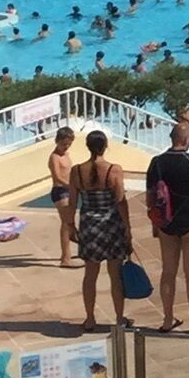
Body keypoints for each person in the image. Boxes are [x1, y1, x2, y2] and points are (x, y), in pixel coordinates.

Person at [146, 111, 189, 333]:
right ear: (187, 140)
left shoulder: (157, 163)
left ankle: (168, 319)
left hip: (167, 223)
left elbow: (150, 198)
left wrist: (155, 224)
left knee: (168, 271)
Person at [64, 128, 130, 329]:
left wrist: (70, 226)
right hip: (111, 225)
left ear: (87, 147)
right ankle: (119, 318)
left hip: (89, 225)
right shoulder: (114, 169)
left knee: (90, 275)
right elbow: (120, 201)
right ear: (105, 146)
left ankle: (90, 318)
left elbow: (72, 202)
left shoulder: (76, 171)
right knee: (115, 275)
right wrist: (128, 228)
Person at [47, 126, 76, 269]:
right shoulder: (54, 158)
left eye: (68, 144)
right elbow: (57, 177)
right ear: (56, 141)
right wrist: (71, 186)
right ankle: (65, 258)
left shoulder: (66, 155)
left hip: (69, 191)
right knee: (66, 223)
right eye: (64, 144)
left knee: (70, 223)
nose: (66, 147)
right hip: (60, 191)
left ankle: (69, 250)